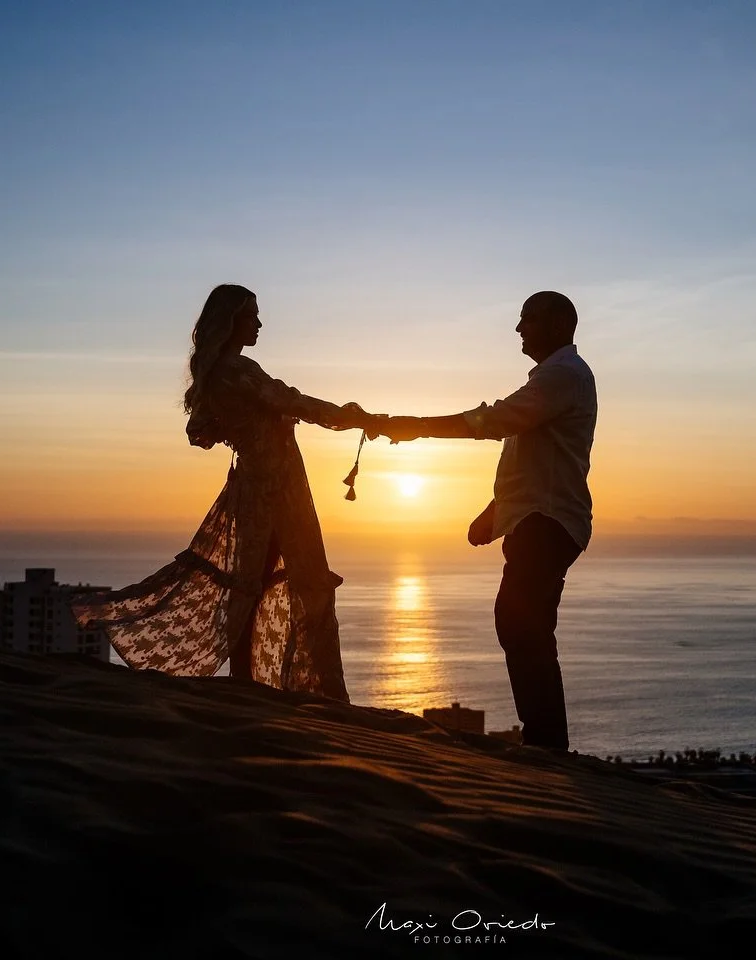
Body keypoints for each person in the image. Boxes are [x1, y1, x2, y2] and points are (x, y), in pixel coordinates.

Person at [71, 284, 370, 699]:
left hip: (252, 483)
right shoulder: (239, 370)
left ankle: (253, 682)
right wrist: (355, 418)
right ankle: (316, 693)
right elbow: (293, 401)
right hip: (276, 486)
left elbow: (200, 433)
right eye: (252, 316)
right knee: (305, 581)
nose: (260, 324)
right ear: (230, 323)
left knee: (256, 582)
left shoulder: (216, 375)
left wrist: (245, 430)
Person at [373, 291, 596, 750]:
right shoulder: (554, 378)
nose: (518, 329)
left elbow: (496, 421)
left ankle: (546, 747)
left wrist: (415, 425)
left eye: (527, 320)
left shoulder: (562, 375)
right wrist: (494, 512)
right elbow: (531, 456)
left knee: (522, 625)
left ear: (557, 324)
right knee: (524, 625)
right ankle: (546, 742)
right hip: (541, 518)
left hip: (548, 521)